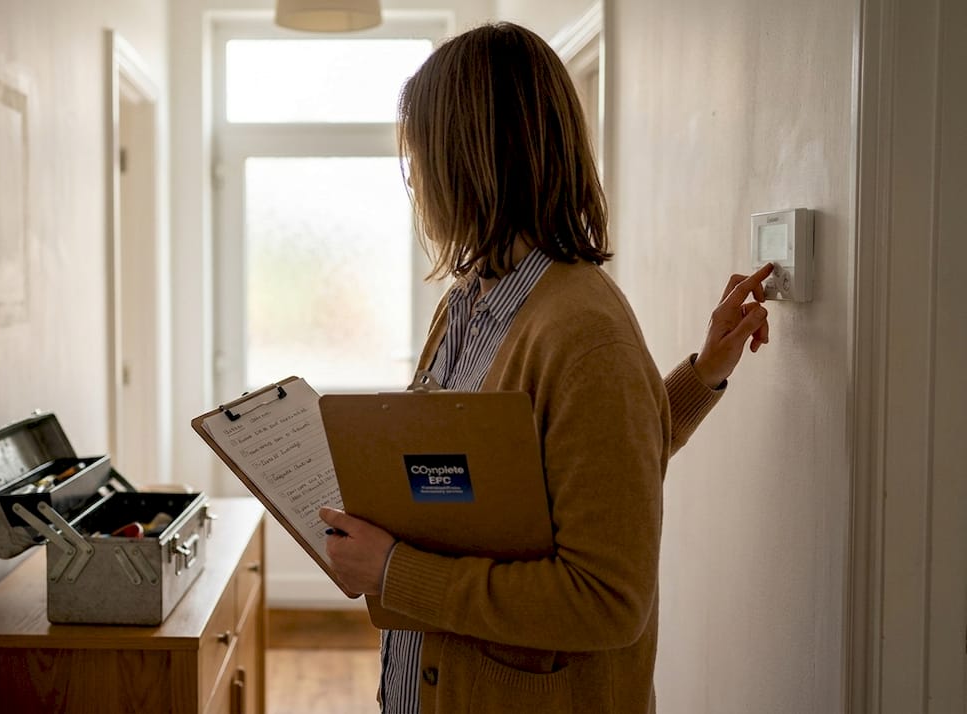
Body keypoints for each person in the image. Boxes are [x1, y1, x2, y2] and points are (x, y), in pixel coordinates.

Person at [318, 22, 773, 714]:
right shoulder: (467, 304)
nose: (414, 185)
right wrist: (698, 378)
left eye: (417, 163)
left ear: (467, 163)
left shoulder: (584, 332)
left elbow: (607, 600)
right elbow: (562, 470)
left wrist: (391, 571)